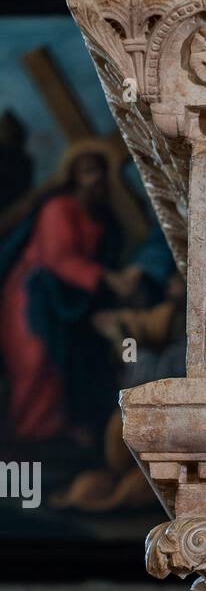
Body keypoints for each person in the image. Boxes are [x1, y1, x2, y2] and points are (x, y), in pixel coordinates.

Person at [0, 144, 139, 445]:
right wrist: (106, 278)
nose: (96, 179)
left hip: (74, 303)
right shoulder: (59, 208)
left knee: (70, 365)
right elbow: (58, 258)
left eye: (100, 171)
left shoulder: (106, 221)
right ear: (74, 178)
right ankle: (26, 436)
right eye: (88, 172)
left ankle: (58, 434)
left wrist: (116, 282)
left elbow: (106, 259)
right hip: (32, 297)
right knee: (35, 362)